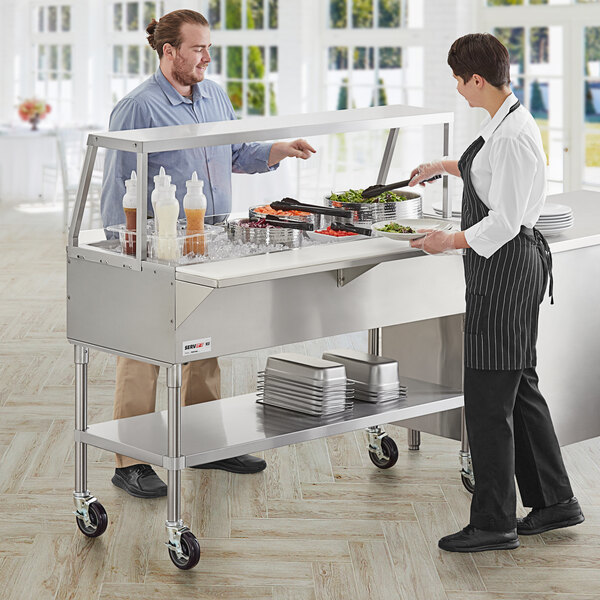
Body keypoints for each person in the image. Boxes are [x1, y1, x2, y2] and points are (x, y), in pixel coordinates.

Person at [101, 9, 315, 499]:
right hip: (158, 245)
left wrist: (280, 148)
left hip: (215, 237)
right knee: (143, 348)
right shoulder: (138, 107)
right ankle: (130, 459)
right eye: (197, 49)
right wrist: (126, 252)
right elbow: (120, 185)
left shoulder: (215, 94)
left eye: (208, 48)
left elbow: (235, 153)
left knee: (205, 342)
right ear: (168, 51)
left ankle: (205, 444)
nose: (206, 57)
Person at [408, 33, 584, 553]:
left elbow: (505, 219)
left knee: (487, 399)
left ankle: (493, 522)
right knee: (519, 388)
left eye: (459, 81)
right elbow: (491, 177)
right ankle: (555, 501)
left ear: (476, 79)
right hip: (507, 270)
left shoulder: (509, 135)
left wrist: (447, 242)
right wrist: (444, 166)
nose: (458, 90)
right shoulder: (506, 121)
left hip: (505, 271)